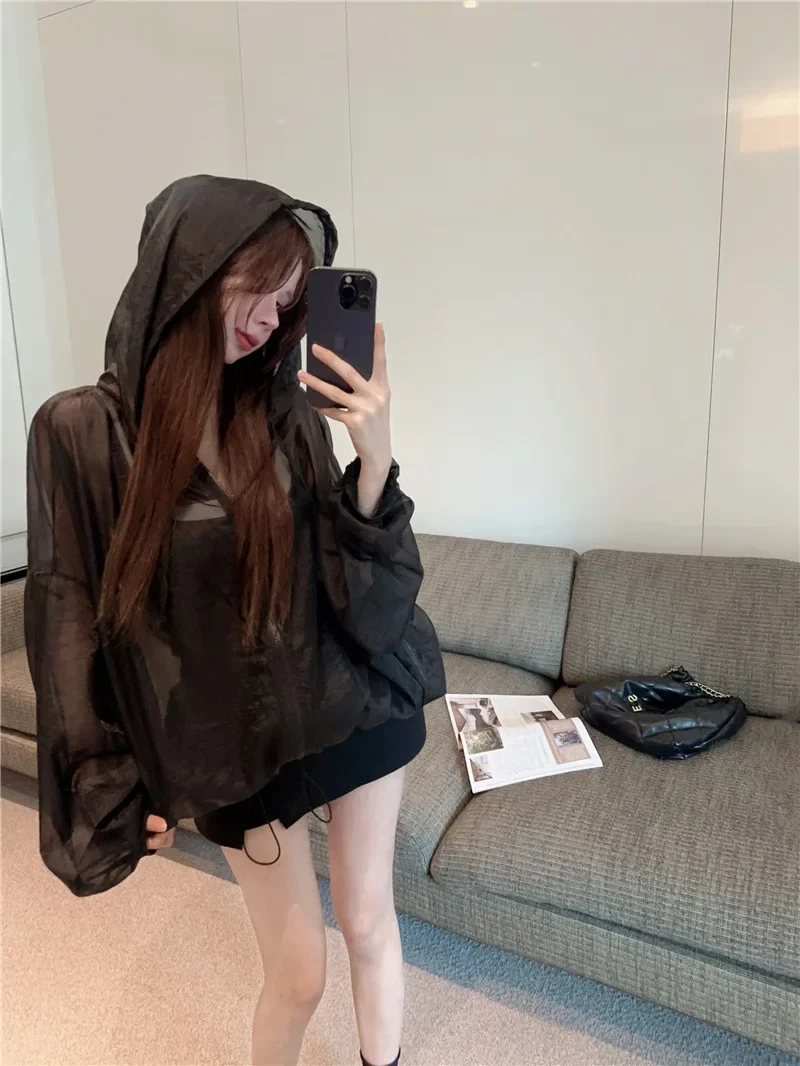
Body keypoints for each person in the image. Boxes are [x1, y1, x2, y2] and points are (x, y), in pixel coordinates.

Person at [25, 175, 445, 1066]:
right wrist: (113, 777)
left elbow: (357, 585)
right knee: (298, 975)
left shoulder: (282, 406)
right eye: (257, 287)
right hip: (231, 737)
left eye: (290, 299)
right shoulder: (84, 432)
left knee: (370, 921)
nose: (270, 318)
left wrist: (374, 460)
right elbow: (72, 616)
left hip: (353, 694)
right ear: (189, 272)